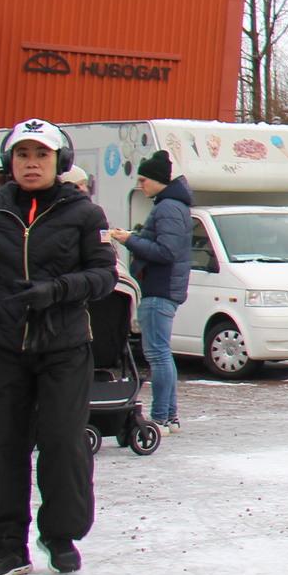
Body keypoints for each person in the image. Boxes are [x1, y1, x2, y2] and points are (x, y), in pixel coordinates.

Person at [0, 119, 118, 575]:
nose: (31, 163)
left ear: (60, 161)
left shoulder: (84, 214)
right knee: (0, 444)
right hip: (1, 348)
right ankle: (5, 545)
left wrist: (55, 290)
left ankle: (60, 535)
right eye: (22, 155)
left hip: (63, 346)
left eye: (41, 155)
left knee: (62, 442)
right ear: (9, 161)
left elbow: (104, 277)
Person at [111, 149, 192, 432]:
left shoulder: (168, 207)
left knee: (157, 355)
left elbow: (166, 251)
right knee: (162, 354)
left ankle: (160, 417)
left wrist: (129, 240)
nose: (140, 184)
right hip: (164, 288)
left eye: (144, 179)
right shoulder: (173, 205)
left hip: (159, 289)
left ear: (159, 180)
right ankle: (170, 416)